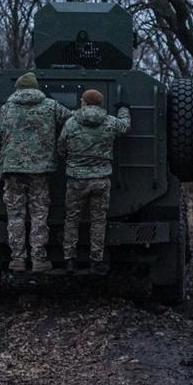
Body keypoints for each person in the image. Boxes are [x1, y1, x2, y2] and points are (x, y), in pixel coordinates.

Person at [0, 72, 72, 273]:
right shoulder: (51, 106)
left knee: (15, 215)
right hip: (40, 171)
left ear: (18, 89)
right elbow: (72, 122)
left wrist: (0, 155)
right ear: (36, 88)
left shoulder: (7, 108)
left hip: (12, 170)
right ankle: (38, 260)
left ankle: (17, 259)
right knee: (39, 215)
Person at [57, 88, 130, 275]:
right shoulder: (110, 122)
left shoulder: (71, 122)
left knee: (71, 220)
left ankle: (69, 260)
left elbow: (61, 147)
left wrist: (73, 160)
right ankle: (96, 260)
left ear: (84, 102)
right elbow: (125, 127)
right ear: (100, 104)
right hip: (100, 179)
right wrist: (123, 109)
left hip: (76, 180)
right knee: (98, 221)